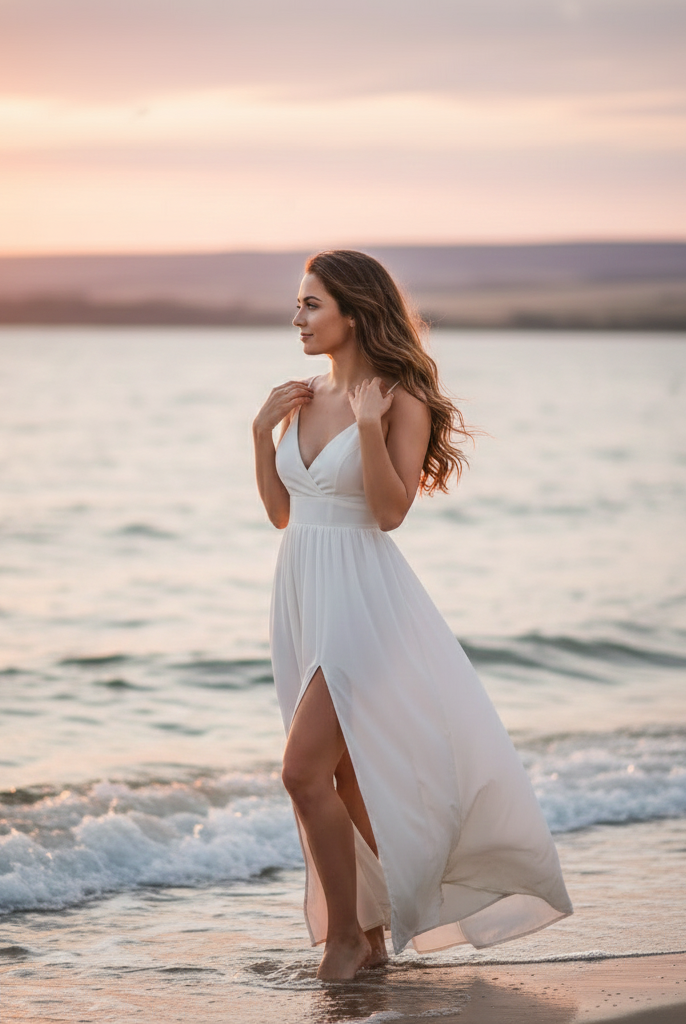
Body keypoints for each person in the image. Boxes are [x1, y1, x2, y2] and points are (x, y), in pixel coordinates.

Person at [253, 250, 572, 981]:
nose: (297, 318)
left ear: (354, 314)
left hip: (365, 602)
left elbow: (392, 512)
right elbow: (281, 514)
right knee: (348, 781)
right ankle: (371, 933)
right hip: (303, 594)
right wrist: (259, 437)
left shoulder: (400, 399)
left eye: (311, 305)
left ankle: (344, 937)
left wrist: (368, 426)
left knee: (302, 774)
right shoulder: (301, 396)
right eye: (298, 304)